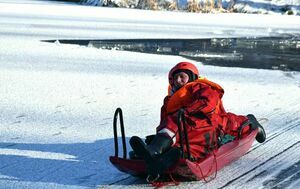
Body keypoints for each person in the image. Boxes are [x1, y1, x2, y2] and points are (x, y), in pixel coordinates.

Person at [130, 61, 266, 181]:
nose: (178, 80)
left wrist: (187, 111)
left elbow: (209, 101)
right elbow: (165, 122)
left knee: (236, 125)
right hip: (186, 128)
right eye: (176, 77)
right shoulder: (169, 101)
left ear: (192, 77)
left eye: (182, 77)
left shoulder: (199, 87)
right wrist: (160, 138)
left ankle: (252, 122)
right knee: (181, 134)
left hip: (210, 122)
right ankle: (161, 153)